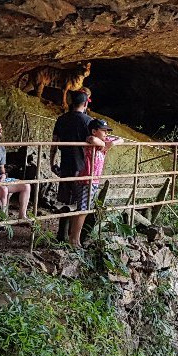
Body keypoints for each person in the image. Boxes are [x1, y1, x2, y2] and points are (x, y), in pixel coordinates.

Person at [69, 118, 121, 246]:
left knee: (84, 209)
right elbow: (92, 139)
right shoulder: (90, 141)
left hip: (93, 181)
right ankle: (74, 240)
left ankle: (74, 238)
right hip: (86, 179)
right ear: (94, 131)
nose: (106, 134)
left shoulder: (103, 143)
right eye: (104, 131)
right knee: (83, 210)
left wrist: (111, 143)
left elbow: (121, 139)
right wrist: (105, 144)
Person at [50, 90, 93, 243]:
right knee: (80, 203)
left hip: (65, 164)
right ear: (85, 103)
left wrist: (51, 161)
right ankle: (73, 237)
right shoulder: (88, 121)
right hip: (82, 166)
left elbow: (55, 141)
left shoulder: (61, 119)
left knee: (64, 200)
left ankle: (61, 234)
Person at [0, 119, 31, 222]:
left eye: (1, 128)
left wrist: (3, 174)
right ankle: (2, 219)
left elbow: (2, 168)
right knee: (4, 190)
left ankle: (22, 216)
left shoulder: (1, 147)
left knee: (26, 185)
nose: (0, 131)